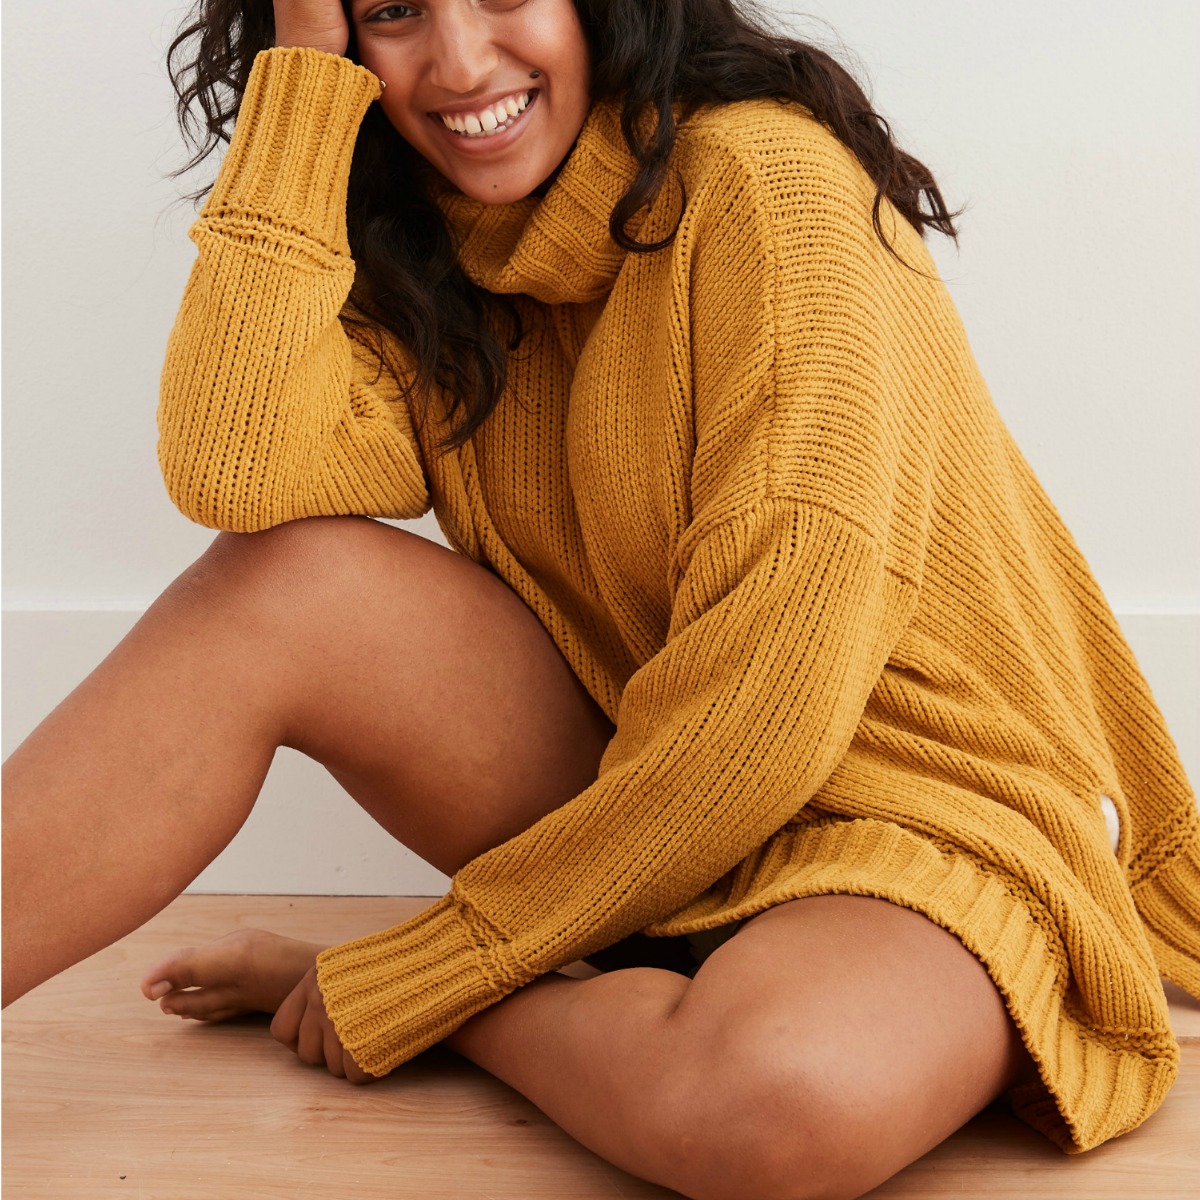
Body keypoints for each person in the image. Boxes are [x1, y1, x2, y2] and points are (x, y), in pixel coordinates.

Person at [3, 0, 1197, 1196]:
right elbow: (235, 464)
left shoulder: (769, 185)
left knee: (776, 1107)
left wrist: (431, 977)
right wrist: (304, 75)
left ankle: (477, 1009)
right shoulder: (430, 246)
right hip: (649, 780)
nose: (462, 63)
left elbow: (769, 703)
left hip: (917, 807)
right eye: (394, 13)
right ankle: (571, 984)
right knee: (280, 585)